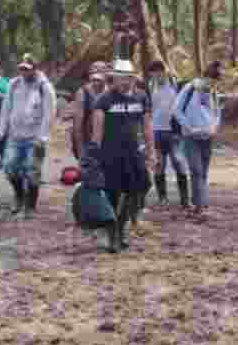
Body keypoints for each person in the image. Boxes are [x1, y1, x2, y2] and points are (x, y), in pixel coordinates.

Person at [89, 58, 157, 252]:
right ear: (114, 79)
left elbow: (147, 126)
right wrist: (94, 157)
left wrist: (152, 151)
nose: (124, 82)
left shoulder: (141, 97)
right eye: (120, 78)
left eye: (128, 78)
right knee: (111, 195)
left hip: (133, 154)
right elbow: (97, 132)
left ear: (133, 78)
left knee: (138, 189)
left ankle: (121, 226)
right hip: (110, 155)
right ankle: (112, 236)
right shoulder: (104, 99)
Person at [0, 54, 56, 219]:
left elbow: (49, 114)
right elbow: (6, 108)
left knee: (32, 172)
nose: (24, 72)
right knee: (9, 167)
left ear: (35, 69)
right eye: (21, 69)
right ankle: (19, 195)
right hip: (15, 136)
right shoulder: (14, 84)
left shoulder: (44, 87)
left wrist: (42, 137)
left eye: (27, 69)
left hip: (34, 137)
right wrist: (1, 131)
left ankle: (30, 205)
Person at [173, 60, 223, 220]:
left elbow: (217, 113)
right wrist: (187, 127)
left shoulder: (213, 92)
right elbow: (176, 110)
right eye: (210, 82)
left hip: (207, 137)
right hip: (191, 137)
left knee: (204, 172)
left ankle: (199, 202)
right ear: (204, 78)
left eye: (214, 83)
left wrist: (215, 127)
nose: (211, 86)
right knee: (196, 170)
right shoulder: (190, 89)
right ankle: (199, 207)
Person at [147, 60, 189, 208]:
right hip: (156, 130)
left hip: (174, 131)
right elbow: (148, 109)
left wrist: (183, 127)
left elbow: (183, 106)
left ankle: (185, 199)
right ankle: (162, 198)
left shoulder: (175, 84)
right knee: (159, 165)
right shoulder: (150, 86)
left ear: (164, 72)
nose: (156, 76)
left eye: (159, 73)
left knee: (178, 162)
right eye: (153, 74)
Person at [71, 61, 109, 160]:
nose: (96, 82)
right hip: (88, 142)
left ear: (106, 76)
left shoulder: (111, 92)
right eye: (94, 79)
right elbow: (78, 126)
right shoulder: (82, 93)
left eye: (99, 79)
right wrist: (80, 153)